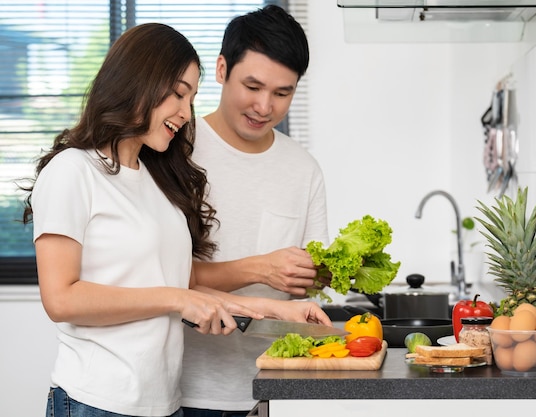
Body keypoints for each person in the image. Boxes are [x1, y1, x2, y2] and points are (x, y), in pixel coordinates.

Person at [21, 22, 331, 417]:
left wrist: (272, 310)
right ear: (139, 82)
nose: (187, 114)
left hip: (161, 402)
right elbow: (61, 299)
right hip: (97, 400)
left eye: (192, 98)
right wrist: (178, 299)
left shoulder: (155, 181)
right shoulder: (73, 170)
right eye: (179, 95)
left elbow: (180, 284)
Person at [180, 5, 329, 417]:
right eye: (253, 86)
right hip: (188, 391)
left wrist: (318, 274)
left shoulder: (304, 169)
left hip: (275, 388)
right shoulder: (177, 151)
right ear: (222, 69)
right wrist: (262, 269)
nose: (265, 107)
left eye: (283, 93)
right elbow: (164, 277)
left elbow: (308, 284)